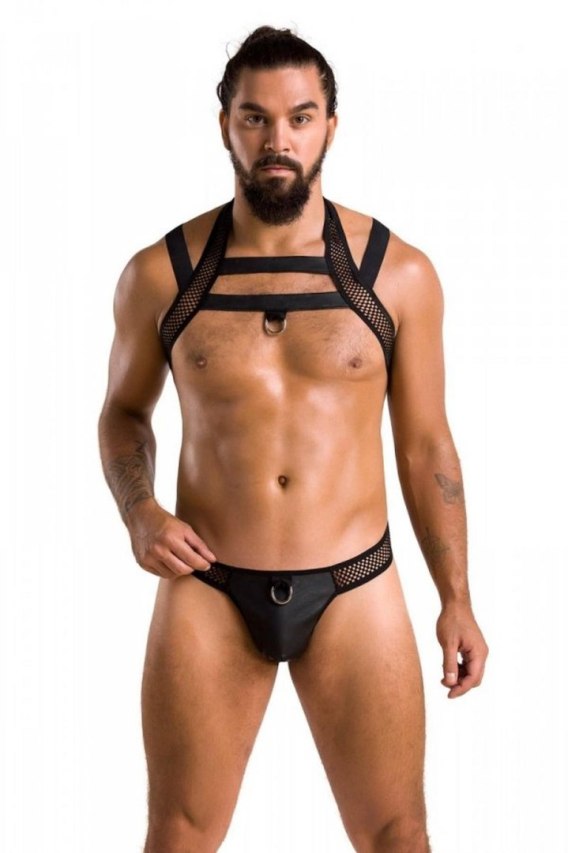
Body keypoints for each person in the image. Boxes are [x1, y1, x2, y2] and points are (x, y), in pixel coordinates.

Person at [98, 25, 489, 853]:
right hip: (210, 583)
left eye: (300, 118)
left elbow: (427, 447)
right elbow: (123, 412)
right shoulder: (161, 275)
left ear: (330, 127)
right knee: (178, 834)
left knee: (398, 833)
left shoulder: (397, 275)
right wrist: (141, 512)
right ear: (226, 125)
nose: (278, 140)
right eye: (256, 118)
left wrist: (456, 596)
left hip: (354, 583)